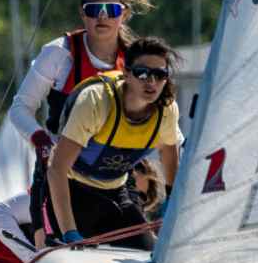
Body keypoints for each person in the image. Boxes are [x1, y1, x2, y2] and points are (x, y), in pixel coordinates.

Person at [8, 0, 153, 247]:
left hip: (114, 181)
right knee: (56, 255)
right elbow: (20, 108)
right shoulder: (58, 53)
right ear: (82, 14)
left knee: (148, 255)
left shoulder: (136, 60)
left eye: (111, 10)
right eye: (93, 9)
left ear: (124, 14)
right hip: (59, 176)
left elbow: (160, 118)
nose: (102, 17)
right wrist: (41, 141)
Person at [45, 36, 181, 250]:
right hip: (73, 192)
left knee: (149, 256)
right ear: (126, 73)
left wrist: (172, 201)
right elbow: (57, 169)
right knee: (79, 259)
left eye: (160, 74)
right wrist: (69, 232)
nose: (151, 82)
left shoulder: (167, 109)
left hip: (117, 191)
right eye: (142, 73)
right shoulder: (96, 101)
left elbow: (168, 153)